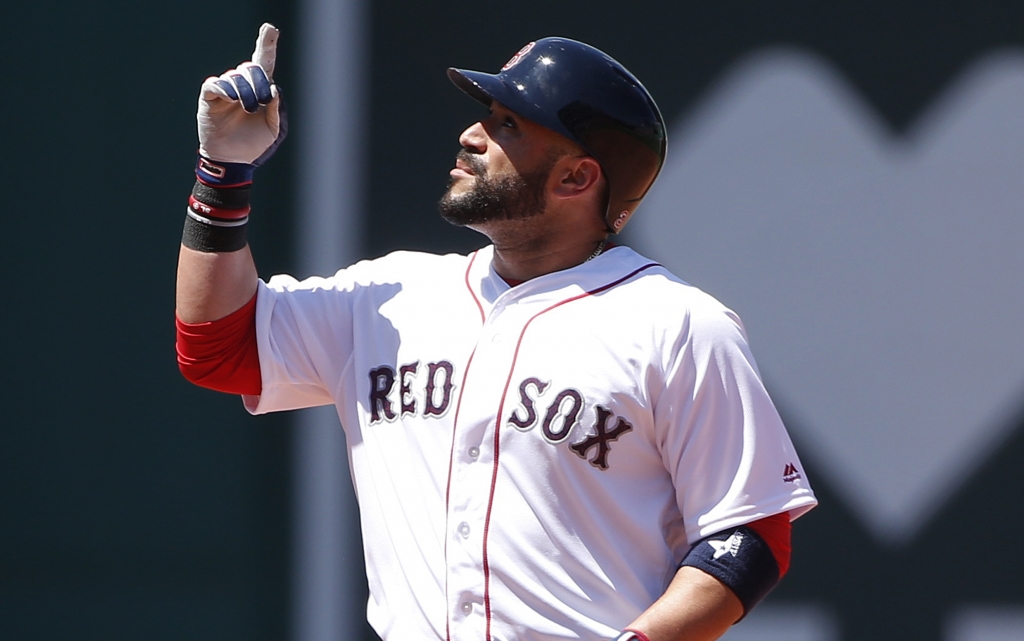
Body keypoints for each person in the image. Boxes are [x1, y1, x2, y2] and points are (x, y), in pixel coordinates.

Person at [176, 24, 817, 641]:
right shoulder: (388, 296)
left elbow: (751, 536)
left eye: (507, 124)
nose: (471, 135)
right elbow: (216, 348)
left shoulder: (678, 325)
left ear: (577, 178)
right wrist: (224, 173)